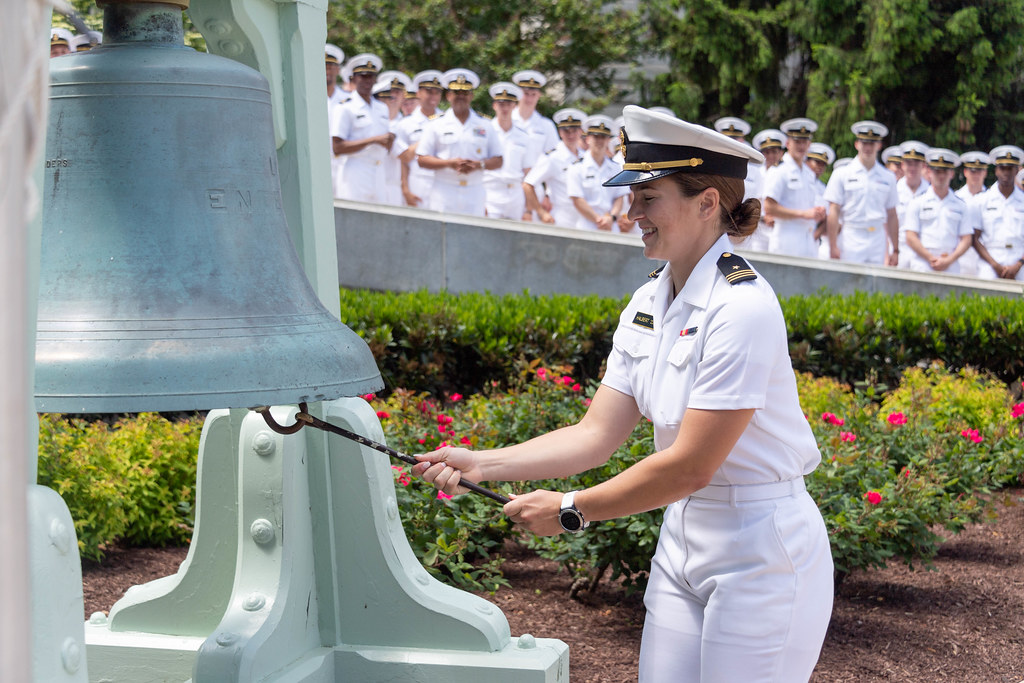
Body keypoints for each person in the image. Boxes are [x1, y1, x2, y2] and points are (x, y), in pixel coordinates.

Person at [415, 105, 834, 683]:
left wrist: (569, 511)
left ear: (708, 202)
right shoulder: (648, 301)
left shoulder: (744, 307)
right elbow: (597, 434)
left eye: (648, 197)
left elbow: (690, 466)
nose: (631, 212)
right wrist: (482, 464)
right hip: (683, 537)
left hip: (760, 548)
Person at [416, 68, 503, 217]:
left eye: (465, 93)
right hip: (444, 191)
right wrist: (448, 163)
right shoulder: (436, 124)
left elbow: (498, 160)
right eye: (457, 93)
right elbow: (422, 159)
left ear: (471, 96)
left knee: (473, 236)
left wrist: (478, 165)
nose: (461, 97)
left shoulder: (485, 125)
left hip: (474, 192)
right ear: (449, 95)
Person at [822, 121, 899, 264]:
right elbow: (834, 211)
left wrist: (895, 249)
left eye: (872, 143)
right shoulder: (842, 173)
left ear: (879, 145)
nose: (868, 148)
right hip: (851, 234)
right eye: (864, 143)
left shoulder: (888, 177)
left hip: (877, 237)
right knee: (849, 281)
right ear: (857, 144)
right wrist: (833, 245)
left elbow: (892, 214)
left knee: (876, 283)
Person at [330, 53, 394, 203]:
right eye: (363, 76)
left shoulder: (382, 107)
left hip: (378, 170)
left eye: (371, 77)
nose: (368, 81)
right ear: (353, 79)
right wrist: (373, 140)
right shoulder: (345, 107)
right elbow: (337, 147)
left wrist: (389, 139)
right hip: (355, 170)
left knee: (380, 219)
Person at [762, 118, 824, 258]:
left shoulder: (808, 173)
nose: (801, 146)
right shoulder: (779, 170)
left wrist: (817, 212)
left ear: (809, 144)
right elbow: (769, 207)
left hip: (808, 239)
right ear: (788, 144)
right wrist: (803, 214)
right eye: (797, 142)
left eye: (804, 142)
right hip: (786, 240)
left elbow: (807, 204)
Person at [903, 149, 972, 274]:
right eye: (937, 172)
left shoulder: (961, 205)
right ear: (929, 172)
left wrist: (949, 260)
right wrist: (930, 258)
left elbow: (966, 239)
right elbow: (910, 236)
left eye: (945, 171)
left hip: (950, 264)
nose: (941, 176)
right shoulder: (917, 202)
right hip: (922, 263)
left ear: (952, 173)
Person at [522, 107, 587, 226]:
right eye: (566, 131)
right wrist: (541, 212)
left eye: (574, 130)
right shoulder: (552, 157)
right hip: (562, 217)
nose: (571, 135)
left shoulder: (586, 157)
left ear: (581, 131)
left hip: (584, 217)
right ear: (560, 132)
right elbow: (528, 184)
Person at [970, 145, 1024, 281]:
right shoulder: (981, 200)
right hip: (990, 259)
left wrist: (1018, 264)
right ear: (996, 171)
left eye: (1010, 168)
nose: (1006, 173)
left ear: (1017, 170)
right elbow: (974, 238)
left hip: (1019, 260)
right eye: (1002, 168)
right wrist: (995, 265)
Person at [566, 115, 630, 231]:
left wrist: (611, 218)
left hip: (611, 226)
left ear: (608, 140)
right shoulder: (576, 167)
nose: (599, 141)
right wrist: (598, 220)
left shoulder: (616, 168)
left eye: (603, 137)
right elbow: (577, 199)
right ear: (588, 139)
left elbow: (619, 197)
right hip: (587, 226)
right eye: (596, 137)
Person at [483, 82, 535, 220]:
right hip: (490, 191)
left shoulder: (523, 136)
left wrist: (528, 208)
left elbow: (527, 173)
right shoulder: (485, 132)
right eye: (501, 104)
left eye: (508, 104)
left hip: (515, 193)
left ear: (514, 106)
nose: (504, 108)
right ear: (494, 106)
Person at [396, 70, 444, 208]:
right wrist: (405, 190)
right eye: (429, 92)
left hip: (442, 183)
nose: (433, 96)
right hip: (417, 182)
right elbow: (403, 160)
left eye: (437, 92)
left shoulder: (447, 120)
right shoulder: (405, 123)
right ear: (418, 94)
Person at [373, 73, 413, 206]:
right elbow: (406, 155)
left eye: (398, 92)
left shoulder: (410, 123)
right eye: (389, 93)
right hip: (374, 183)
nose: (393, 96)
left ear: (404, 96)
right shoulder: (375, 122)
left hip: (398, 187)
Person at [511, 70, 559, 165]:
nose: (529, 99)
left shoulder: (546, 125)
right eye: (526, 94)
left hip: (535, 177)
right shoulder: (507, 121)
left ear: (539, 96)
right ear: (518, 94)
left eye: (533, 94)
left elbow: (553, 156)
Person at [895, 140, 931, 267]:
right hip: (898, 250)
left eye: (916, 164)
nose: (912, 168)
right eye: (909, 164)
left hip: (924, 253)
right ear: (902, 165)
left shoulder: (931, 193)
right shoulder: (894, 191)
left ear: (923, 166)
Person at [954, 151, 990, 277]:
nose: (976, 175)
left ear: (985, 172)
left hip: (985, 258)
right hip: (960, 257)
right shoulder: (956, 198)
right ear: (965, 172)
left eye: (979, 171)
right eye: (972, 171)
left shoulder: (991, 198)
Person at [325, 44, 349, 198]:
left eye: (331, 66)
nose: (328, 70)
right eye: (324, 65)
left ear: (338, 70)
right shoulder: (308, 97)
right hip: (318, 164)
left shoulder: (348, 99)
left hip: (344, 166)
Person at [807, 142, 835, 257]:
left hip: (813, 237)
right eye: (816, 162)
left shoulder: (824, 188)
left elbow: (828, 216)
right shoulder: (798, 181)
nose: (820, 167)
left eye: (823, 164)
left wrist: (815, 236)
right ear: (807, 161)